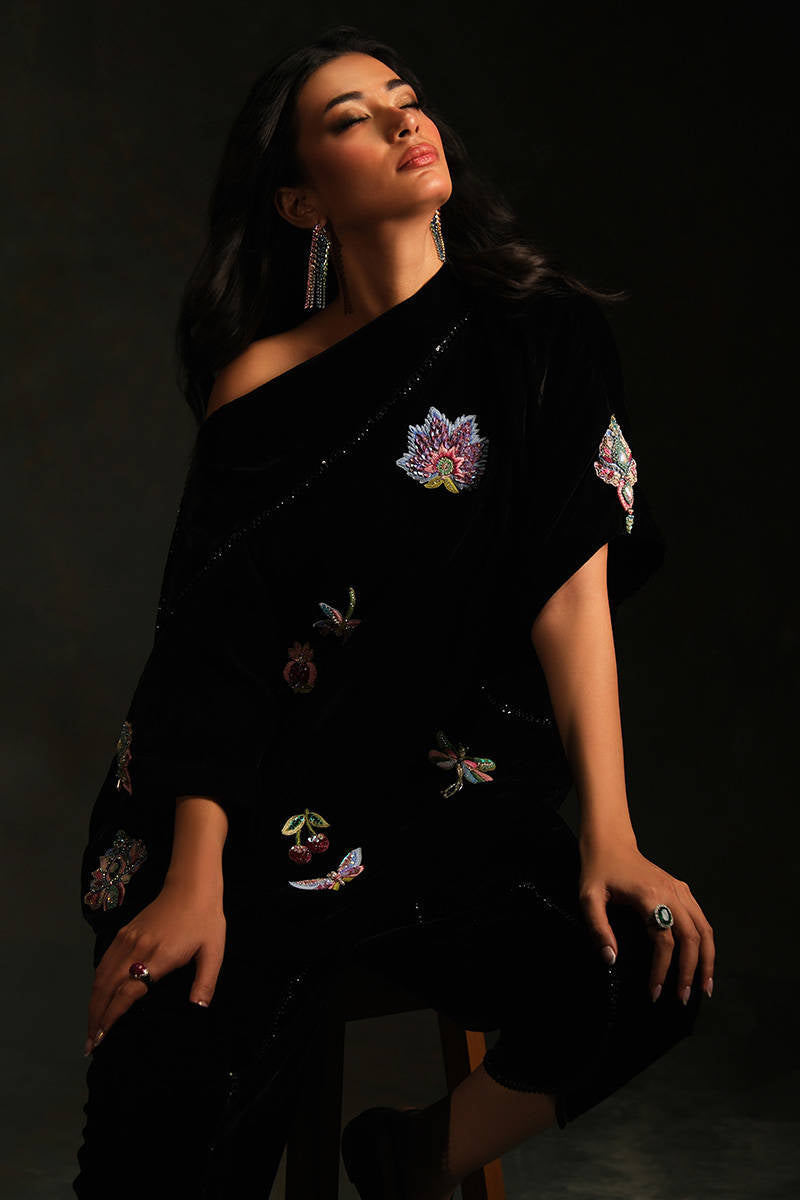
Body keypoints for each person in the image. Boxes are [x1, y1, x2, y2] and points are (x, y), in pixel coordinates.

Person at [73, 24, 715, 1200]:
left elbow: (571, 594)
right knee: (174, 1078)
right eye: (349, 120)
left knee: (649, 958)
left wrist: (610, 832)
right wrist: (195, 874)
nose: (401, 120)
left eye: (402, 98)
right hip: (259, 799)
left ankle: (409, 1160)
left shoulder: (541, 333)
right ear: (300, 201)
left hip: (438, 799)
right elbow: (216, 643)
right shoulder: (261, 382)